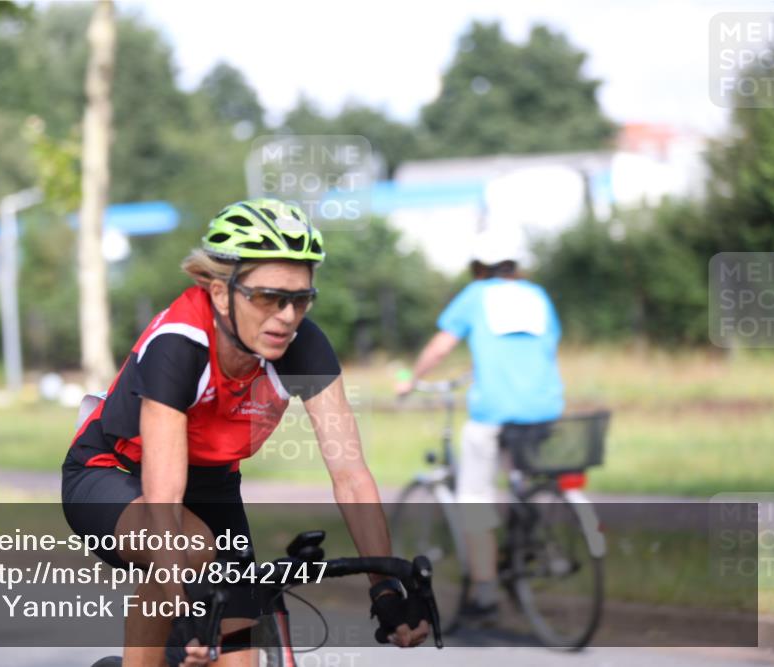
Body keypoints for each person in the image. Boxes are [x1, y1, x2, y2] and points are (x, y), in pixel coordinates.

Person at [63, 199, 429, 667]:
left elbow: (351, 472)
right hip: (113, 473)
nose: (287, 316)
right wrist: (182, 600)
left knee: (239, 659)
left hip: (212, 485)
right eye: (269, 297)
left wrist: (386, 587)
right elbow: (164, 493)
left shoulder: (303, 347)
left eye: (300, 299)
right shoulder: (179, 344)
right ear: (220, 293)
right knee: (187, 550)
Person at [396, 227, 564, 621]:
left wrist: (411, 380)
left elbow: (440, 346)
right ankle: (525, 544)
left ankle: (486, 589)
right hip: (543, 409)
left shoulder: (476, 296)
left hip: (494, 412)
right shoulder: (538, 296)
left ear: (479, 266)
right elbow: (542, 348)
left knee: (475, 496)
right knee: (519, 483)